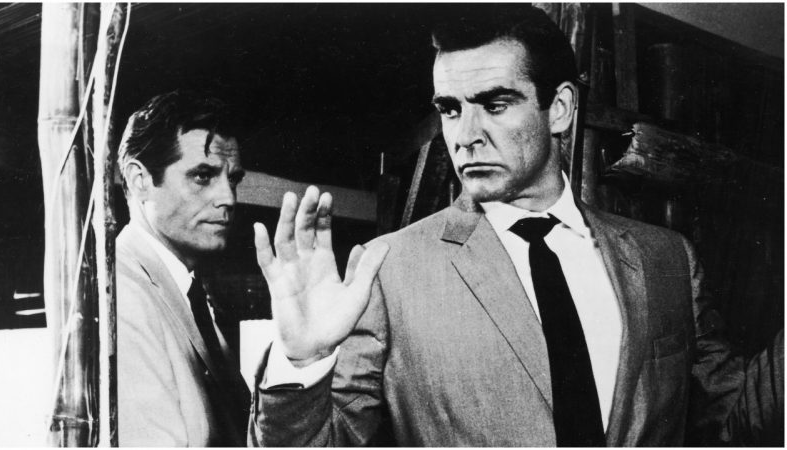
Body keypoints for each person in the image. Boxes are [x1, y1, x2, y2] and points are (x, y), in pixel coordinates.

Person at [251, 5, 783, 446]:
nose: (466, 135)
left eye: (495, 104)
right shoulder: (388, 269)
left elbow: (735, 424)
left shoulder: (666, 258)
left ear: (560, 109)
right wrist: (303, 363)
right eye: (450, 109)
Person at [116, 90, 251, 446]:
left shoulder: (188, 292)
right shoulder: (121, 292)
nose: (228, 198)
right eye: (203, 176)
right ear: (140, 180)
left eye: (233, 179)